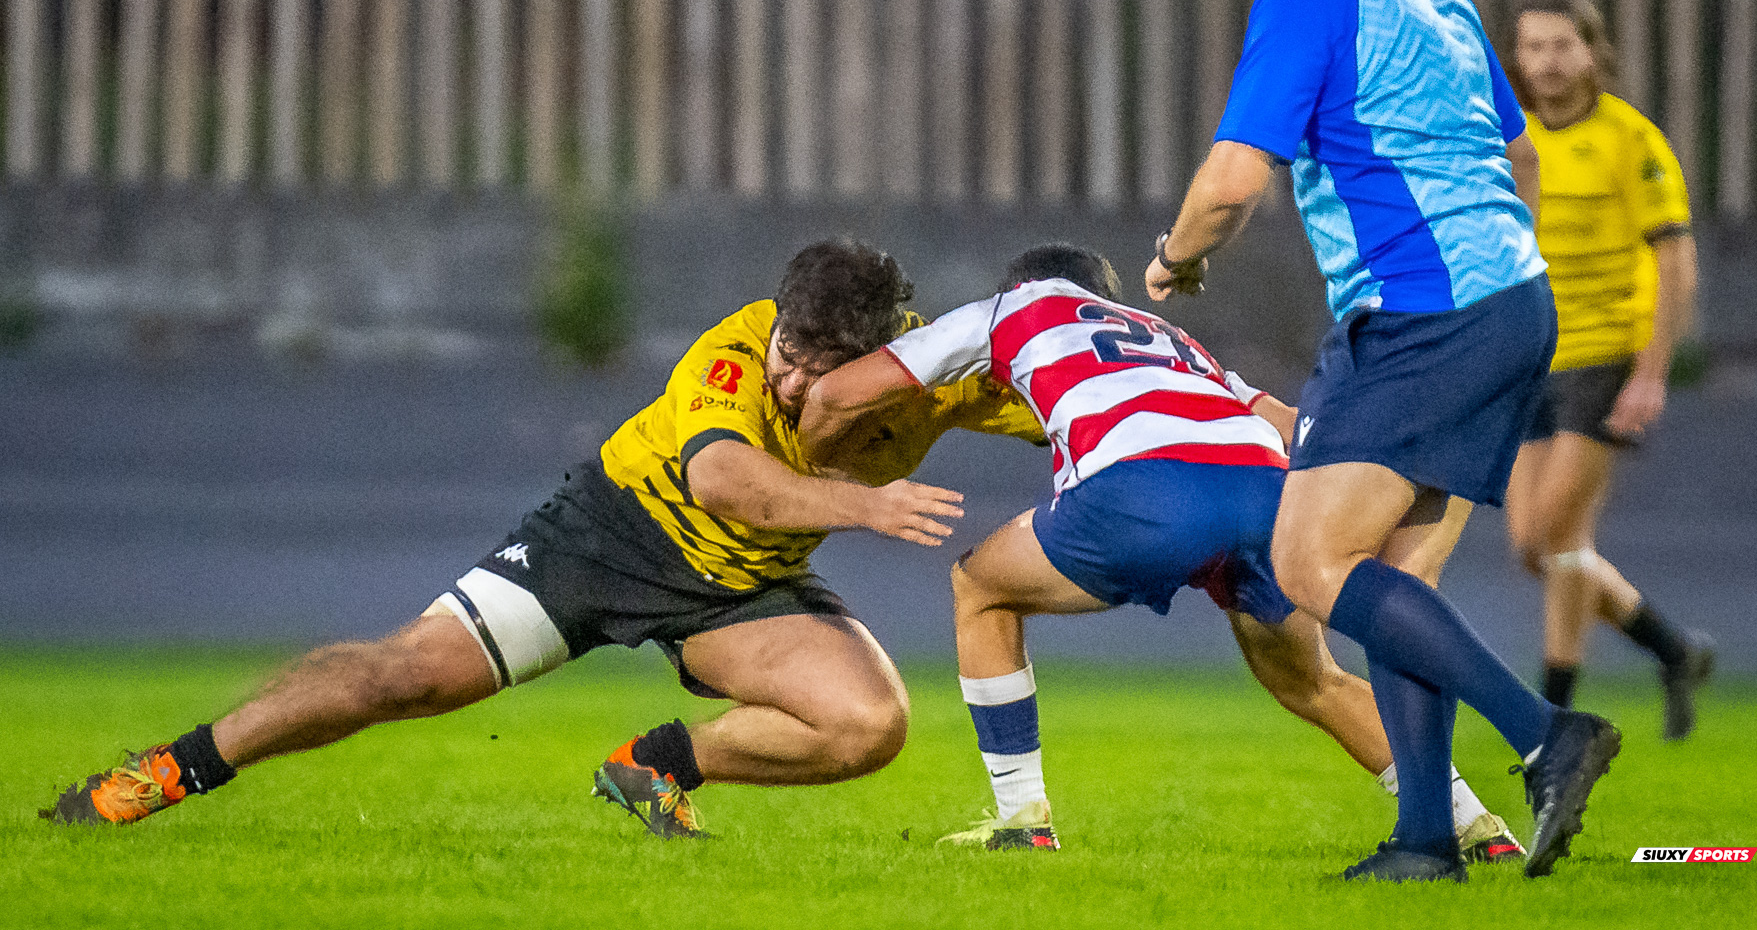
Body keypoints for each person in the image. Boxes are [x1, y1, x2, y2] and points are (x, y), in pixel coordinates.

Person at [43, 240, 1045, 838]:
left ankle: (656, 767)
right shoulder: (735, 350)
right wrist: (865, 506)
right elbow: (723, 480)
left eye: (819, 370)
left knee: (868, 726)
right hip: (609, 538)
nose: (789, 380)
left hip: (738, 591)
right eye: (789, 349)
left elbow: (1065, 394)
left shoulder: (927, 378)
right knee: (404, 677)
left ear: (879, 353)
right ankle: (167, 770)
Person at [1143, 0, 1620, 882]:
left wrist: (1175, 261)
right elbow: (1521, 155)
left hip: (1423, 312)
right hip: (1510, 301)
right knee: (1396, 578)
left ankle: (1547, 733)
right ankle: (1423, 842)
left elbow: (1232, 182)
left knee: (1308, 559)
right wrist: (1496, 259)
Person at [802, 243, 1521, 862]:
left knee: (980, 586)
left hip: (1144, 490)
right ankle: (1475, 826)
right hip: (1268, 493)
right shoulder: (1174, 340)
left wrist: (810, 460)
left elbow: (840, 392)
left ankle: (1023, 820)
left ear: (1022, 283)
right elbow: (1287, 422)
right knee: (1313, 681)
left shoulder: (1012, 309)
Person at [1502, 0, 1714, 738]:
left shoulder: (1631, 139)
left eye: (1563, 45)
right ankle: (1673, 648)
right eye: (1533, 47)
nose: (1548, 62)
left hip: (1604, 356)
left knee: (1554, 534)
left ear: (1593, 52)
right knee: (1539, 547)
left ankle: (1554, 719)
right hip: (1532, 357)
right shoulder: (1512, 137)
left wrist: (1652, 372)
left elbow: (1676, 261)